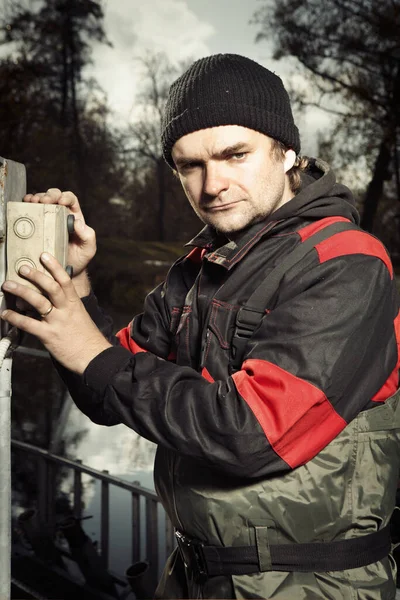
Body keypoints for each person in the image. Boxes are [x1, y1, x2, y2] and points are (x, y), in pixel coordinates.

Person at [2, 53, 400, 599]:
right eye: (189, 165)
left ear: (287, 154)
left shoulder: (346, 263)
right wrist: (77, 286)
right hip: (195, 574)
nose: (213, 184)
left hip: (309, 584)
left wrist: (95, 355)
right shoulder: (197, 270)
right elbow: (103, 392)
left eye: (235, 154)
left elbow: (251, 433)